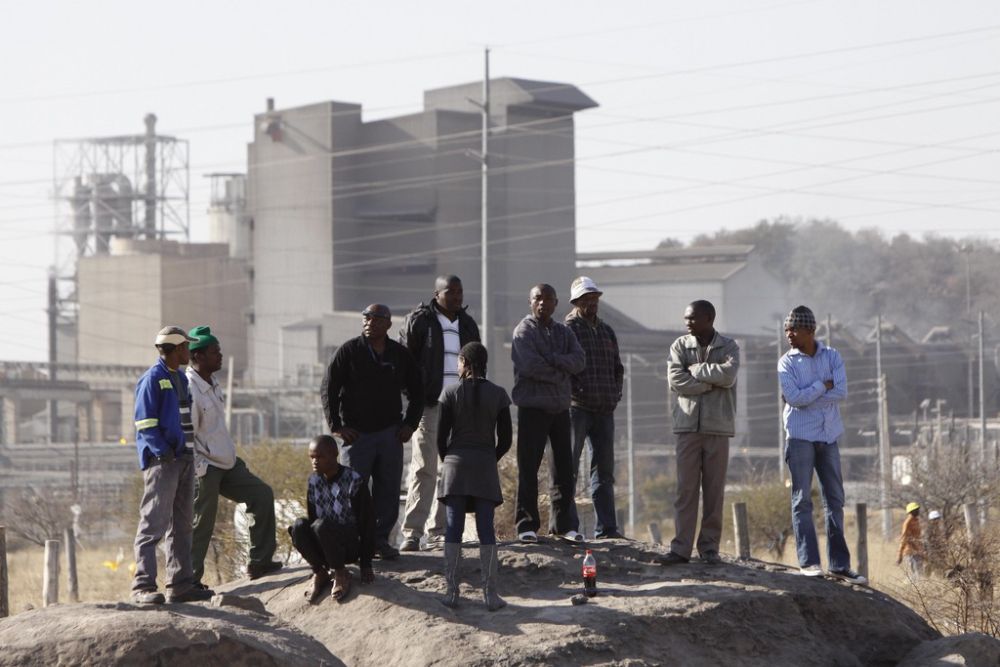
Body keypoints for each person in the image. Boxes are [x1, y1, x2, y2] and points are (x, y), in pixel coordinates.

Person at [321, 304, 423, 559]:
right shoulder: (349, 351)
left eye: (377, 318)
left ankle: (379, 541)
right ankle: (351, 544)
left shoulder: (399, 354)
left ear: (388, 324)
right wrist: (336, 425)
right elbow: (329, 388)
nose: (369, 322)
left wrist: (410, 424)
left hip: (390, 435)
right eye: (366, 317)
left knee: (387, 490)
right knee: (351, 490)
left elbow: (417, 390)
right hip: (357, 436)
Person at [186, 325, 281, 587]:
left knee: (261, 494)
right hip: (205, 466)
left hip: (226, 461)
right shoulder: (189, 388)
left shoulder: (212, 382)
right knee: (201, 523)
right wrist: (200, 468)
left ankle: (259, 561)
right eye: (215, 352)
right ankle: (189, 579)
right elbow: (186, 436)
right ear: (199, 356)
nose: (221, 356)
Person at [779, 305, 867, 584]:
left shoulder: (832, 356)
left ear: (810, 330)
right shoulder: (787, 362)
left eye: (794, 329)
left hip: (828, 436)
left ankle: (840, 565)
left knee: (835, 501)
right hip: (800, 437)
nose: (789, 335)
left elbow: (841, 391)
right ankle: (809, 562)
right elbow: (794, 398)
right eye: (787, 330)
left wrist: (813, 392)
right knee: (802, 500)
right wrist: (822, 386)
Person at [131, 326, 214, 604]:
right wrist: (163, 451)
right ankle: (143, 586)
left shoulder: (179, 377)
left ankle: (180, 584)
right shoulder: (152, 379)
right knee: (153, 523)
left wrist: (187, 453)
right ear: (177, 349)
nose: (189, 352)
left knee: (182, 525)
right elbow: (144, 424)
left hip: (184, 459)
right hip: (163, 462)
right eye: (185, 348)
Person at [398, 275, 481, 552]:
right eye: (451, 292)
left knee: (451, 469)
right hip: (429, 406)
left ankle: (440, 531)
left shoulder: (467, 324)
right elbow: (404, 364)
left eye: (460, 291)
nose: (457, 297)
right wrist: (413, 400)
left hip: (460, 406)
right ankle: (412, 533)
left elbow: (479, 363)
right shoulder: (419, 321)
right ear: (437, 293)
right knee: (424, 468)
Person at [660, 300, 740, 566]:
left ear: (709, 318)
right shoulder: (679, 346)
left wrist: (697, 371)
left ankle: (709, 548)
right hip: (687, 428)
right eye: (686, 318)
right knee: (686, 490)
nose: (687, 323)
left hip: (718, 428)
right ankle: (681, 548)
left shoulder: (729, 346)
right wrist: (708, 385)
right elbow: (675, 380)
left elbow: (728, 376)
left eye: (692, 318)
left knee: (714, 491)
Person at [436, 342, 512, 611]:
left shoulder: (450, 392)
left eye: (458, 361)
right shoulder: (500, 395)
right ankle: (490, 594)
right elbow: (506, 440)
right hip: (484, 466)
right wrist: (489, 457)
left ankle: (452, 591)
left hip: (455, 465)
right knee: (486, 529)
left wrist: (450, 458)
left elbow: (440, 437)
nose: (457, 366)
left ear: (466, 363)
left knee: (454, 527)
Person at [511, 284, 586, 544]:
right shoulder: (524, 331)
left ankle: (565, 526)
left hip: (560, 409)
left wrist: (553, 359)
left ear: (556, 303)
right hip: (532, 408)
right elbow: (531, 366)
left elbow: (579, 361)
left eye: (548, 299)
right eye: (537, 298)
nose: (542, 303)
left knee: (563, 470)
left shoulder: (563, 332)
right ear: (530, 302)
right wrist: (561, 372)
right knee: (528, 469)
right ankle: (526, 525)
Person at [564, 277, 624, 539]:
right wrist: (574, 391)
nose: (591, 303)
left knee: (604, 471)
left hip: (604, 409)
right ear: (576, 302)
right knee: (570, 468)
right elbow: (565, 368)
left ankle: (607, 529)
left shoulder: (607, 330)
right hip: (577, 408)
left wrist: (615, 393)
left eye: (594, 298)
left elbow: (617, 367)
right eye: (586, 298)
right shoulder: (568, 329)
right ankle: (568, 527)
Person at [289, 435, 375, 602]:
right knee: (298, 526)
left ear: (334, 454)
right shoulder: (313, 481)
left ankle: (341, 573)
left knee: (320, 526)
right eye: (312, 457)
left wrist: (366, 564)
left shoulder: (353, 480)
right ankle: (320, 573)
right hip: (325, 542)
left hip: (348, 545)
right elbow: (312, 519)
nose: (315, 461)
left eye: (320, 457)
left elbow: (367, 522)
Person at [897, 502, 924, 577]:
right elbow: (904, 538)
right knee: (914, 575)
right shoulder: (907, 523)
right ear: (911, 511)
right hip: (910, 552)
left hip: (918, 551)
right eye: (916, 510)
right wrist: (900, 555)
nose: (918, 511)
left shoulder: (916, 521)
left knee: (920, 574)